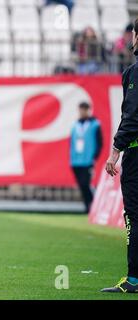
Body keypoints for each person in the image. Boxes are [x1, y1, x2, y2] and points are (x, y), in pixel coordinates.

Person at [103, 18, 138, 294]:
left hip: (136, 154)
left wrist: (115, 151)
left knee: (135, 217)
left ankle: (134, 280)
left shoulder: (135, 72)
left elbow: (132, 116)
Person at [69, 102, 102, 213]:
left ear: (88, 110)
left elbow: (99, 142)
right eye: (80, 110)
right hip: (76, 161)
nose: (82, 112)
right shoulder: (75, 125)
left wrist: (94, 157)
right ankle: (88, 206)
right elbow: (72, 143)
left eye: (84, 110)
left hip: (87, 160)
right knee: (81, 185)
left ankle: (91, 205)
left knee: (85, 184)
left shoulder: (95, 124)